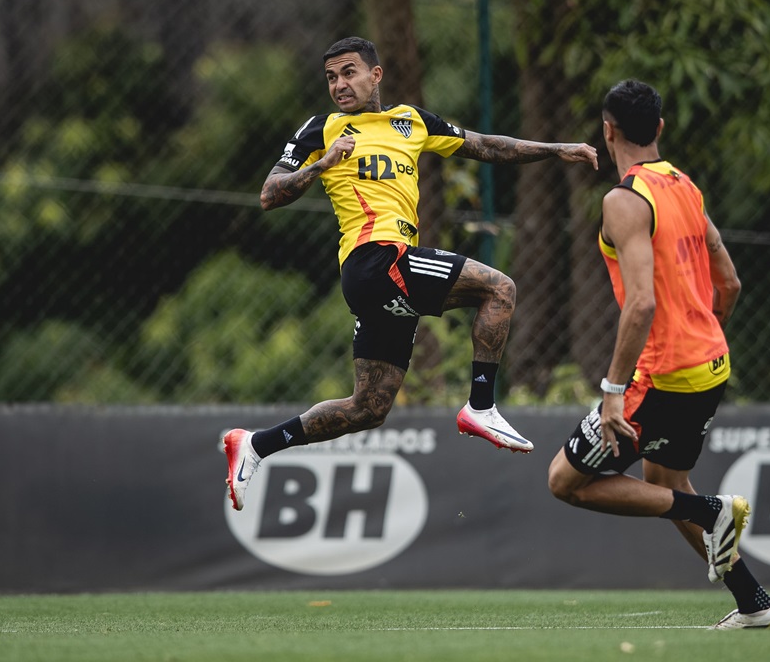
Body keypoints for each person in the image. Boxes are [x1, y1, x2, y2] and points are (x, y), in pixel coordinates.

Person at [220, 36, 599, 511]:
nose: (339, 84)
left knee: (368, 408)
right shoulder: (322, 129)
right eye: (332, 77)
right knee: (499, 288)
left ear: (375, 75)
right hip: (373, 259)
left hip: (382, 276)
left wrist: (555, 148)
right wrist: (321, 164)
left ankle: (255, 445)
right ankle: (481, 405)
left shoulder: (411, 121)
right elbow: (269, 194)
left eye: (349, 72)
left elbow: (483, 145)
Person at [546, 80, 770, 630]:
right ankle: (754, 601)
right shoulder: (685, 186)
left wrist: (612, 393)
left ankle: (713, 512)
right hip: (710, 366)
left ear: (607, 131)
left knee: (566, 482)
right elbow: (730, 282)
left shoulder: (623, 200)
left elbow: (641, 306)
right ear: (658, 129)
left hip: (659, 375)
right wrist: (704, 332)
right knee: (666, 483)